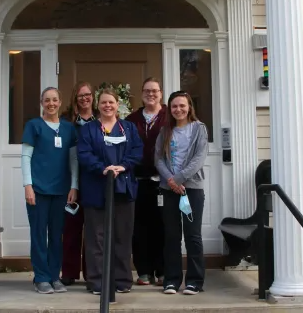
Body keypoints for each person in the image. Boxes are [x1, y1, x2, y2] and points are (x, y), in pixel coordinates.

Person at [77, 88, 143, 295]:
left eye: (111, 102)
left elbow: (137, 151)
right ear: (98, 105)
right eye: (104, 102)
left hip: (124, 189)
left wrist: (122, 166)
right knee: (96, 238)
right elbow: (84, 154)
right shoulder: (88, 130)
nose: (107, 106)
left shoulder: (129, 128)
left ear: (117, 105)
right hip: (96, 189)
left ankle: (122, 280)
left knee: (122, 236)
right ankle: (98, 282)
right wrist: (103, 169)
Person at [21, 87, 79, 294]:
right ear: (41, 102)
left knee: (57, 235)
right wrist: (27, 185)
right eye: (47, 100)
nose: (51, 104)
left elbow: (73, 159)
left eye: (55, 99)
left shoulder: (68, 128)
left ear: (60, 102)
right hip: (38, 190)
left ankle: (55, 276)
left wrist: (74, 185)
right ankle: (41, 277)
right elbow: (26, 157)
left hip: (61, 190)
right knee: (39, 234)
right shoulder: (33, 126)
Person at [154, 91, 208, 296]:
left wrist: (179, 179)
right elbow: (158, 158)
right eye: (174, 106)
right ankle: (172, 280)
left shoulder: (199, 129)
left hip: (191, 189)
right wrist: (170, 180)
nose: (178, 109)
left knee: (193, 235)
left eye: (182, 106)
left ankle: (194, 281)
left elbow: (199, 157)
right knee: (171, 236)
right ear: (169, 109)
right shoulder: (165, 130)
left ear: (189, 107)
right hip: (169, 190)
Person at [126, 77, 167, 286]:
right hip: (138, 181)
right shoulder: (131, 119)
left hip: (164, 182)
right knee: (139, 229)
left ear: (161, 93)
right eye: (147, 91)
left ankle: (162, 271)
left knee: (162, 227)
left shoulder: (169, 115)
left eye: (155, 91)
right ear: (142, 94)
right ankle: (143, 272)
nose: (151, 94)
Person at [60, 81, 96, 286]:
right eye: (80, 95)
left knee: (92, 230)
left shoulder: (100, 120)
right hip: (70, 182)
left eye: (88, 95)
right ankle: (69, 272)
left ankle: (92, 272)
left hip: (93, 180)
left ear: (93, 97)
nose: (85, 98)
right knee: (71, 228)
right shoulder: (67, 122)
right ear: (75, 98)